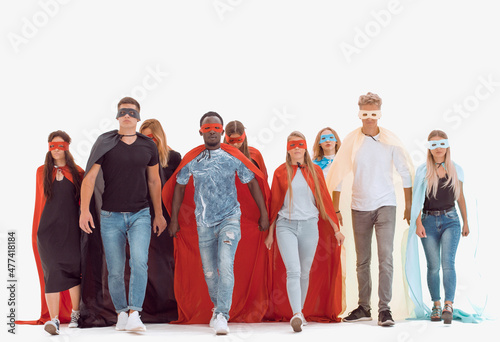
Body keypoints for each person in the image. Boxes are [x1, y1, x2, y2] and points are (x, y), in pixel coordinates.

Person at [162, 111, 269, 335]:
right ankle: (216, 309)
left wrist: (264, 213)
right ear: (200, 131)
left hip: (230, 218)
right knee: (209, 272)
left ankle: (222, 314)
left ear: (222, 131)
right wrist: (174, 220)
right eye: (207, 128)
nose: (212, 132)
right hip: (204, 223)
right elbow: (179, 187)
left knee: (225, 264)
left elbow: (252, 183)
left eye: (216, 128)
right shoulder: (193, 159)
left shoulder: (233, 157)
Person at [326, 92, 413, 326]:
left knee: (385, 258)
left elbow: (405, 173)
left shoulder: (391, 141)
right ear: (359, 114)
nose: (369, 118)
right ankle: (364, 307)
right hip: (359, 206)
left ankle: (384, 309)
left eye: (374, 113)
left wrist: (409, 205)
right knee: (362, 260)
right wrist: (335, 209)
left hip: (386, 204)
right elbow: (340, 175)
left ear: (380, 114)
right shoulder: (352, 142)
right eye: (365, 113)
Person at [79, 97, 166, 332]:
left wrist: (158, 214)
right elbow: (89, 178)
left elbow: (154, 180)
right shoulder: (105, 142)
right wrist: (84, 210)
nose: (127, 115)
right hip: (110, 216)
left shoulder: (148, 145)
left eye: (132, 112)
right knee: (115, 268)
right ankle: (121, 314)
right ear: (117, 116)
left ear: (138, 117)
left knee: (139, 262)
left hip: (141, 214)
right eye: (123, 112)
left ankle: (135, 313)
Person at [264, 131, 345, 332]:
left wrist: (336, 230)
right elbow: (274, 203)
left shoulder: (315, 170)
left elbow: (324, 200)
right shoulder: (281, 172)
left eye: (300, 144)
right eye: (292, 145)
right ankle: (297, 314)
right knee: (293, 270)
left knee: (305, 272)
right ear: (287, 149)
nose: (297, 148)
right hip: (286, 226)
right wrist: (270, 233)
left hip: (309, 225)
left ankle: (300, 311)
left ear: (306, 147)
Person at [407, 130, 469, 324]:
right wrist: (418, 223)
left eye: (441, 144)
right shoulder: (422, 171)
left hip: (451, 220)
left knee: (447, 263)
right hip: (428, 221)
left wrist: (466, 221)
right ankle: (436, 304)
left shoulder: (456, 169)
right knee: (433, 266)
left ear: (447, 146)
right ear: (429, 148)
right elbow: (417, 199)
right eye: (433, 145)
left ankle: (449, 305)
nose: (438, 148)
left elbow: (460, 196)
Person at [27, 131, 84, 335]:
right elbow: (40, 203)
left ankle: (76, 314)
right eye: (53, 146)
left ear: (67, 147)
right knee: (51, 274)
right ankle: (54, 320)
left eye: (61, 146)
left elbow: (82, 203)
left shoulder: (77, 172)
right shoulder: (41, 171)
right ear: (48, 147)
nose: (57, 150)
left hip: (71, 230)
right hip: (47, 232)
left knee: (72, 272)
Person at [139, 119, 181, 322]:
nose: (149, 141)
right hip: (140, 213)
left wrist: (174, 219)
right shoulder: (137, 158)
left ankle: (168, 307)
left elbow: (179, 190)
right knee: (143, 260)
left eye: (152, 137)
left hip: (165, 215)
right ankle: (145, 309)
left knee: (165, 261)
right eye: (144, 137)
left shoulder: (173, 157)